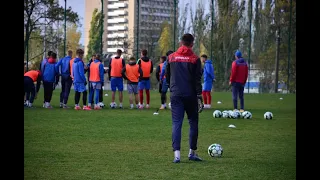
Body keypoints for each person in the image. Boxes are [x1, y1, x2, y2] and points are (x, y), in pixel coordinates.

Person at [166, 33, 204, 163]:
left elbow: (167, 75)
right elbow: (197, 79)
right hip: (190, 95)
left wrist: (172, 88)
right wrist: (199, 96)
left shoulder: (171, 57)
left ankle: (177, 156)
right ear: (192, 44)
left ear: (181, 43)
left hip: (176, 94)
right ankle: (191, 152)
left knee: (177, 123)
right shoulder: (195, 59)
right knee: (193, 122)